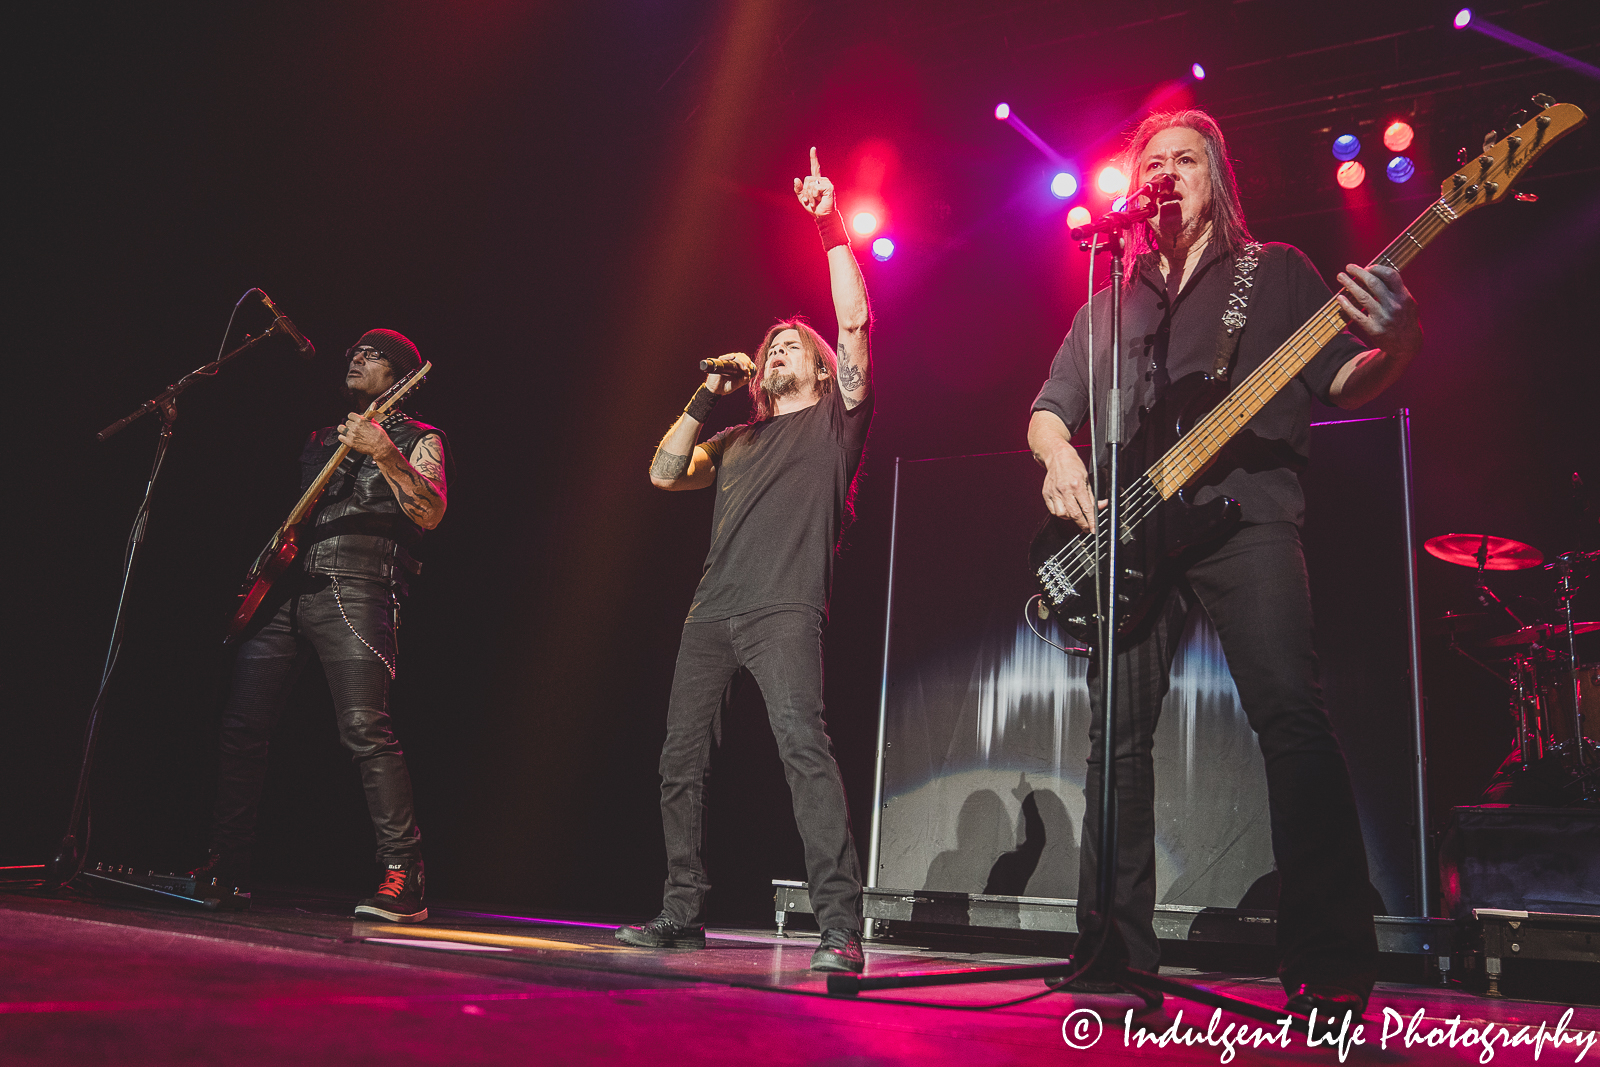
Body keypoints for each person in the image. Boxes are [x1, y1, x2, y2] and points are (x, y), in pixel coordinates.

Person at [1027, 110, 1422, 1017]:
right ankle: (1114, 955)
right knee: (1114, 738)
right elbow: (1048, 410)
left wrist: (1398, 344)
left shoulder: (1274, 273)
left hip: (1249, 516)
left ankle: (1328, 965)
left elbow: (1341, 379)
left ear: (1217, 182)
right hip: (1135, 539)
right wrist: (1058, 455)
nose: (1166, 174)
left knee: (1291, 715)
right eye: (1151, 163)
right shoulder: (1107, 302)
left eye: (1184, 161)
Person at [615, 148, 874, 973]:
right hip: (711, 614)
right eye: (769, 347)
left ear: (820, 366)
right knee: (677, 761)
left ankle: (840, 926)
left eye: (792, 345)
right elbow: (660, 472)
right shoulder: (736, 439)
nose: (777, 352)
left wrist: (827, 222)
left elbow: (858, 323)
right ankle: (681, 911)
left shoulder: (835, 423)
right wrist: (705, 394)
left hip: (785, 608)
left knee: (804, 749)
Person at [193, 329, 448, 923]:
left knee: (365, 728)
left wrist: (384, 451)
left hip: (359, 583)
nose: (356, 357)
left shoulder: (421, 438)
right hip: (290, 585)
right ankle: (225, 865)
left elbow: (431, 511)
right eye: (353, 350)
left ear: (404, 374)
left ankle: (403, 874)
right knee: (242, 724)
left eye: (373, 353)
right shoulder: (318, 438)